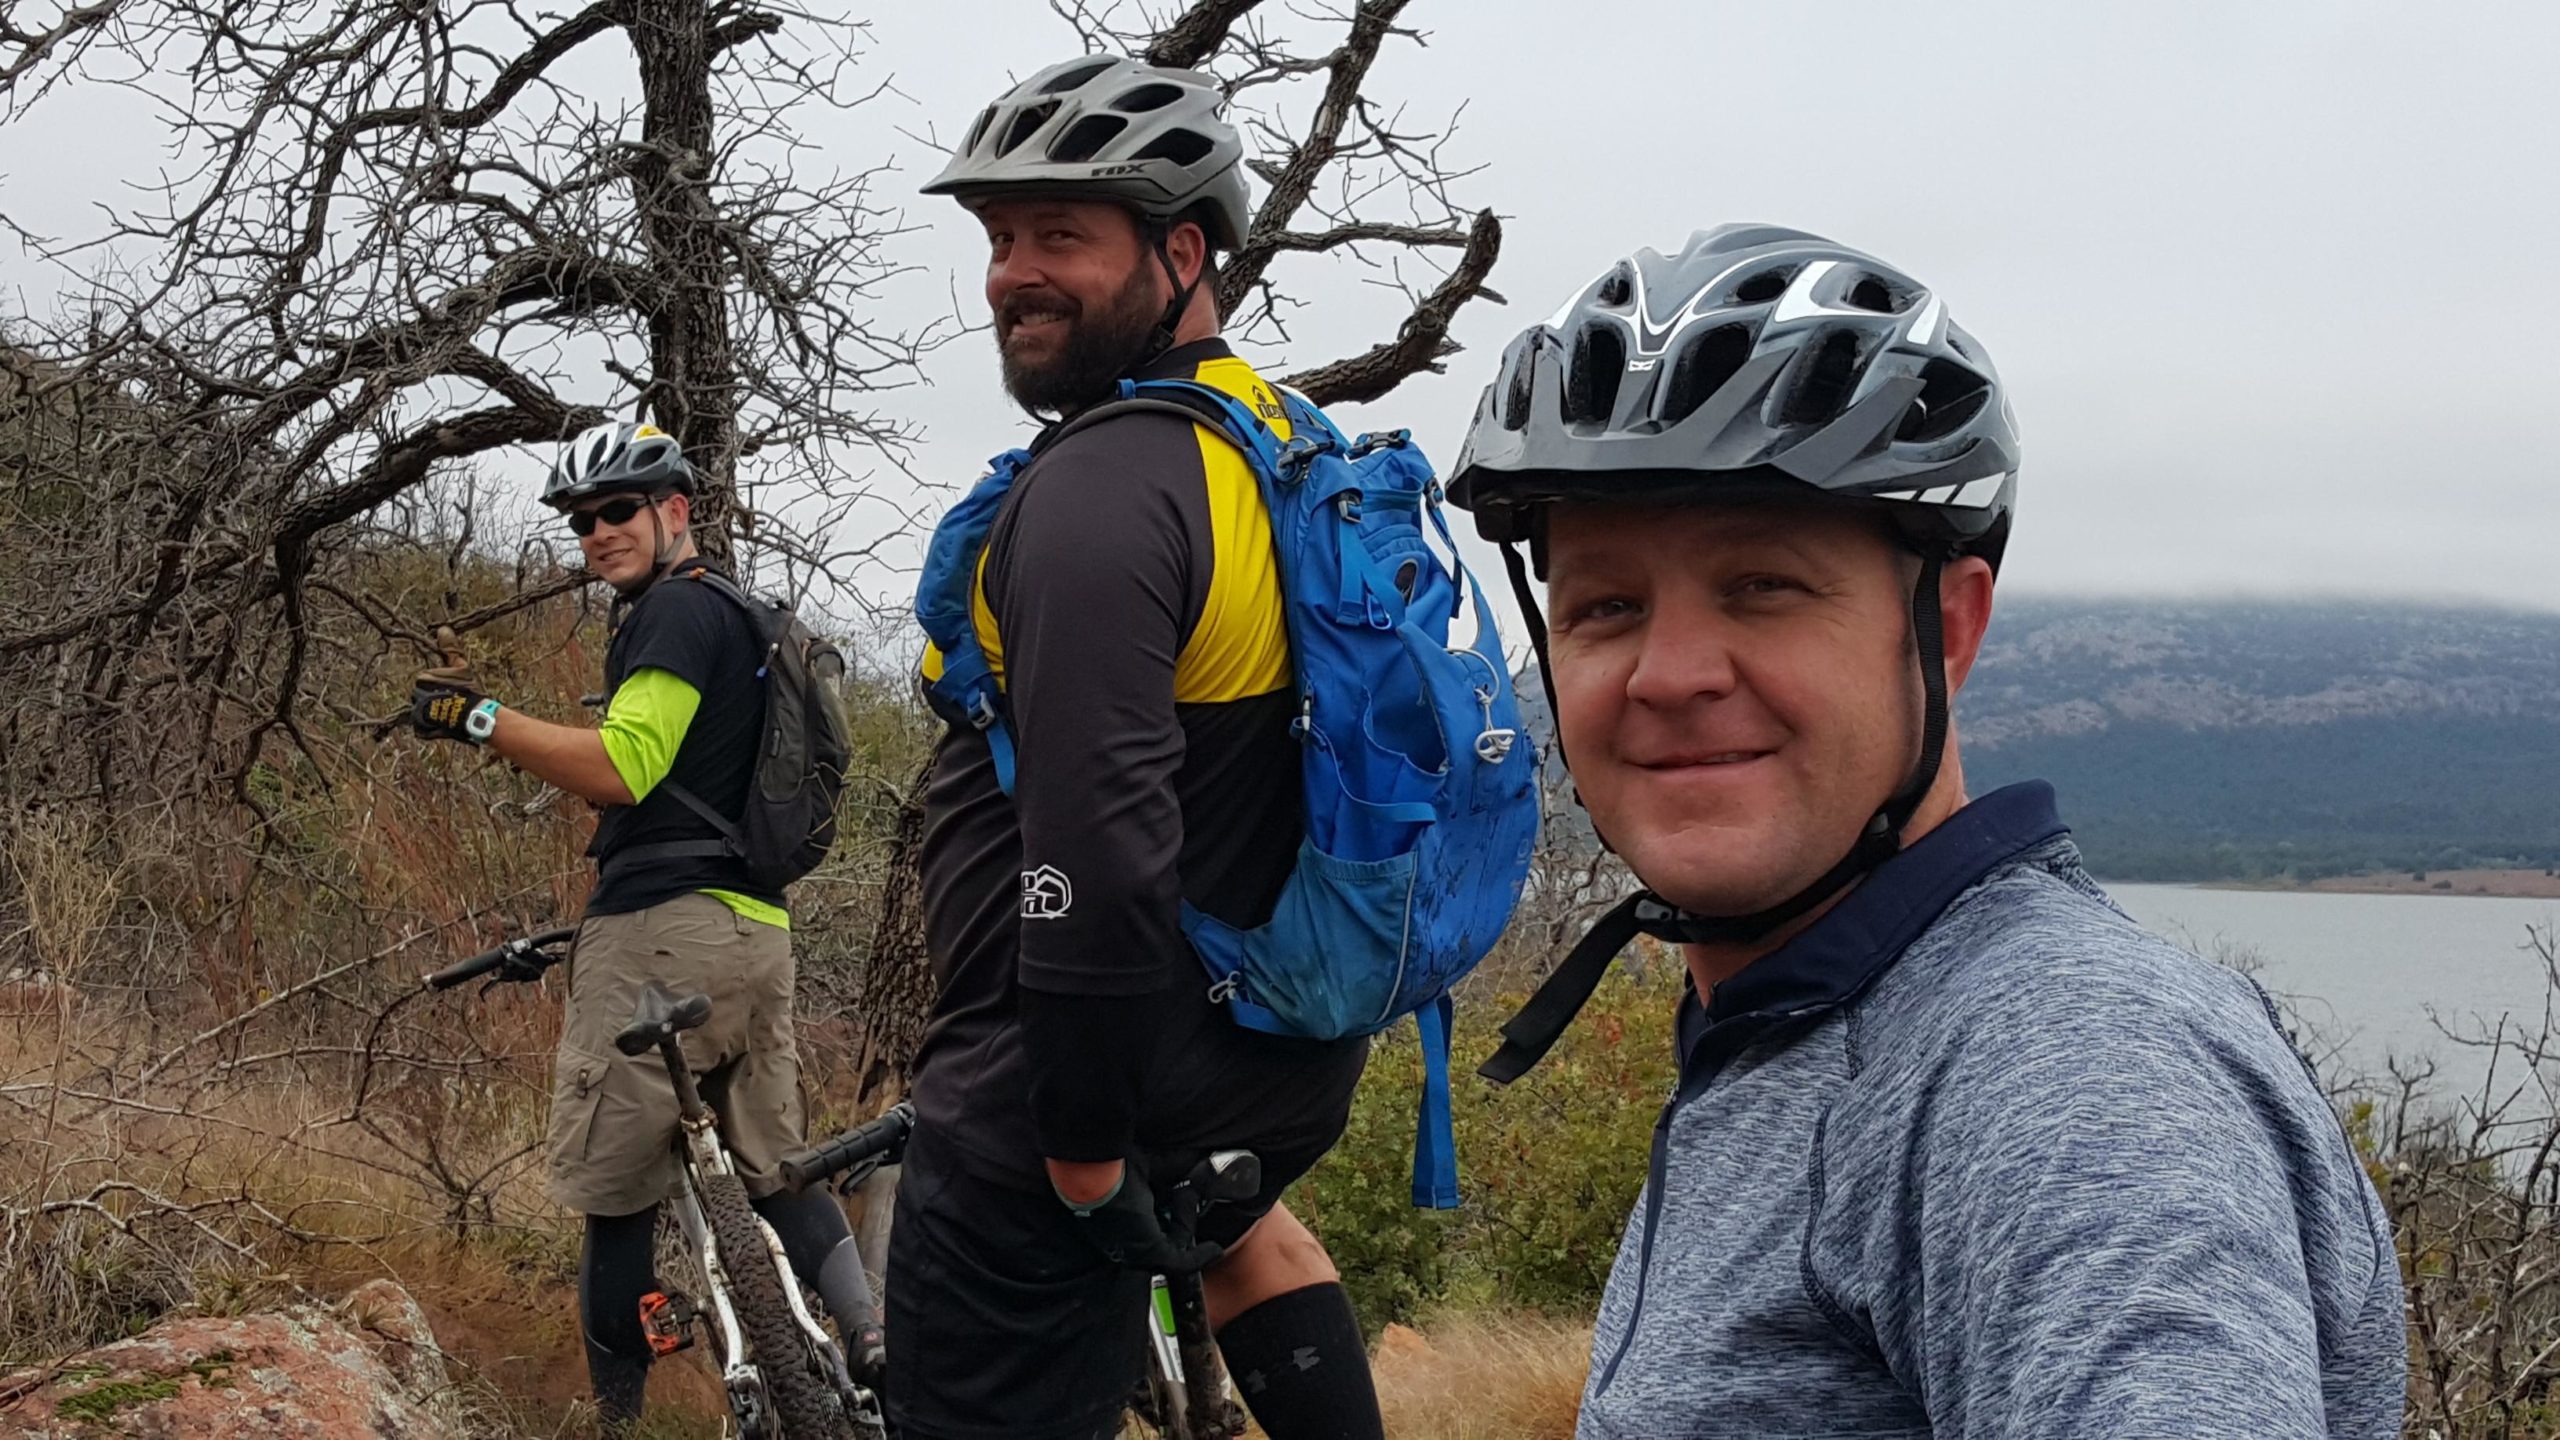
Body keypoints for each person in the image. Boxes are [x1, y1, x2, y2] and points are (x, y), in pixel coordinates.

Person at [1446, 225, 2406, 1438]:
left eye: (1763, 587)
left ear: (1946, 630)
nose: (1668, 673)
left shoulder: (2060, 1070)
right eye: (1607, 606)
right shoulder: (1814, 1024)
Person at [893, 54, 1382, 1440]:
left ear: (1181, 251)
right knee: (1250, 1239)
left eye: (1061, 236)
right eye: (998, 239)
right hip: (1268, 1054)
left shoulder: (1106, 486)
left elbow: (1097, 864)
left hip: (1069, 1089)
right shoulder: (1283, 443)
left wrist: (1080, 1153)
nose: (1011, 275)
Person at [409, 422, 877, 1434]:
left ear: (676, 511)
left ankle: (614, 1421)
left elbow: (626, 766)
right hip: (757, 934)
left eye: (618, 510)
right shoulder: (744, 619)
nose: (598, 533)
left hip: (663, 930)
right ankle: (874, 1348)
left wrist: (478, 720)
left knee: (612, 1189)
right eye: (582, 521)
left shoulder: (669, 612)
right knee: (775, 1167)